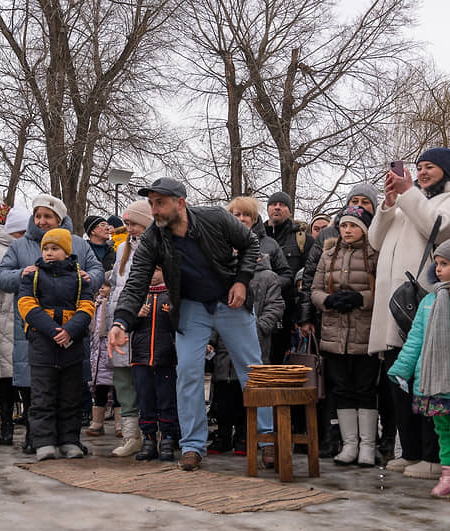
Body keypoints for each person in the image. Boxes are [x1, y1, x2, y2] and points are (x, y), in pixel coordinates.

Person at [108, 177, 273, 472]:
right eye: (151, 203)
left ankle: (268, 439)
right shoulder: (153, 239)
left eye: (160, 203)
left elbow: (251, 243)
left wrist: (242, 281)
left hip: (229, 300)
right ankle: (193, 445)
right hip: (191, 307)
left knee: (252, 368)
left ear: (180, 203)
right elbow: (136, 284)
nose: (154, 209)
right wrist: (121, 321)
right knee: (187, 371)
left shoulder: (216, 218)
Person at [368, 147, 450, 479]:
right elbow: (375, 240)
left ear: (446, 170)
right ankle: (411, 451)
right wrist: (388, 204)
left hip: (429, 302)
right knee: (399, 379)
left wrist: (408, 194)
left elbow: (440, 230)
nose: (424, 172)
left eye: (430, 167)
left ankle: (433, 457)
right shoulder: (406, 199)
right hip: (394, 305)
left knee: (428, 379)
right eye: (420, 167)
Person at [0, 194, 104, 453]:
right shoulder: (21, 246)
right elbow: (1, 276)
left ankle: (68, 438)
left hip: (72, 331)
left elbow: (96, 271)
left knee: (69, 390)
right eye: (38, 216)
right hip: (36, 331)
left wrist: (92, 278)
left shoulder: (79, 244)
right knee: (37, 388)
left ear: (60, 218)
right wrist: (21, 274)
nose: (42, 221)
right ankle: (37, 438)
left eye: (48, 216)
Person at [387, 238, 450, 500]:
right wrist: (402, 369)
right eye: (437, 263)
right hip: (432, 380)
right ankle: (448, 475)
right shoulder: (430, 300)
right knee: (443, 430)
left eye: (445, 264)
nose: (438, 269)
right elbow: (416, 339)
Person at [298, 183, 380, 458]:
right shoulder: (328, 254)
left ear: (365, 228)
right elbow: (315, 288)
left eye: (353, 226)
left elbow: (383, 287)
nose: (347, 230)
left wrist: (361, 299)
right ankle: (349, 444)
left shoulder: (373, 255)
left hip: (364, 331)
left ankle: (368, 445)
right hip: (334, 332)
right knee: (342, 388)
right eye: (344, 225)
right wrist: (327, 301)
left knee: (365, 388)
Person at [17, 228, 95, 460]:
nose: (49, 253)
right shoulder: (33, 276)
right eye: (46, 249)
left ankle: (70, 440)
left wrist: (70, 330)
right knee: (42, 396)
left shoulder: (81, 279)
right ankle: (44, 441)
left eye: (55, 248)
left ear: (67, 251)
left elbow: (87, 306)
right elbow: (26, 305)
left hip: (72, 344)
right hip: (43, 343)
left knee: (70, 396)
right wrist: (52, 330)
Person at [208, 250, 284, 456]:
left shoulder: (268, 277)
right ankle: (223, 434)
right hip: (224, 349)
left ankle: (245, 434)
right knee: (224, 393)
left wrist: (257, 328)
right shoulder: (224, 275)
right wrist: (212, 339)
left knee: (249, 391)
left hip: (255, 341)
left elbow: (276, 306)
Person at [105, 200, 154, 457]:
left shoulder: (157, 247)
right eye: (127, 223)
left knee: (146, 382)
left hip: (146, 324)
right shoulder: (122, 248)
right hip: (121, 323)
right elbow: (115, 285)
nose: (130, 228)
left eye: (135, 223)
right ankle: (130, 436)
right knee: (122, 382)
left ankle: (151, 435)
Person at [0, 206, 32, 445]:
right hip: (2, 316)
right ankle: (6, 423)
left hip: (27, 314)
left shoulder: (33, 245)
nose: (22, 235)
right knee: (4, 374)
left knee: (28, 373)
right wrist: (22, 274)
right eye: (18, 231)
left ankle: (32, 425)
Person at [130, 267, 178, 462]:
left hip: (166, 357)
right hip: (140, 357)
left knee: (167, 400)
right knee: (145, 400)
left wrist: (172, 314)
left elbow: (179, 325)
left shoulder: (171, 295)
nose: (151, 276)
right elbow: (125, 324)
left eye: (156, 271)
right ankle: (148, 439)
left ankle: (167, 439)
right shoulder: (138, 295)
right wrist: (136, 315)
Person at [263, 191, 314, 363]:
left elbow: (309, 278)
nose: (277, 207)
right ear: (268, 208)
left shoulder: (303, 240)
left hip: (290, 314)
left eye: (282, 204)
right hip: (259, 311)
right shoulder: (255, 237)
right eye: (273, 204)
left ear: (289, 211)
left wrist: (304, 316)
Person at [86, 281, 114, 437]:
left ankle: (120, 423)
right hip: (97, 354)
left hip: (110, 352)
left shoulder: (112, 306)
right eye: (101, 285)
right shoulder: (95, 306)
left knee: (117, 389)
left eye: (107, 285)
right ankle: (97, 421)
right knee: (100, 389)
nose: (102, 288)